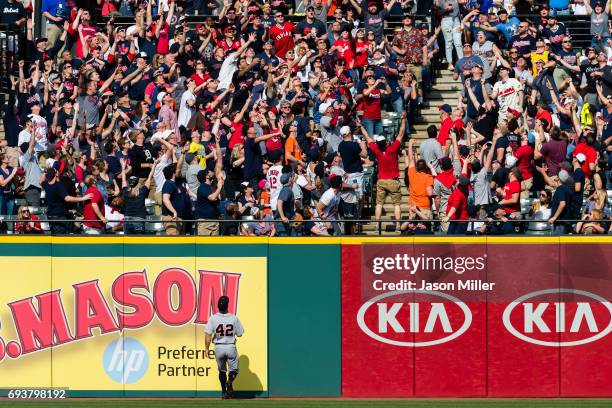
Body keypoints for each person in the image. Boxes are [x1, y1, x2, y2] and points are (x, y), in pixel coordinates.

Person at [362, 113, 406, 230]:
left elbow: (367, 137)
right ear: (386, 142)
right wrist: (403, 119)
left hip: (381, 181)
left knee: (379, 204)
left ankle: (377, 226)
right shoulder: (393, 148)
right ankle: (397, 226)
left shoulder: (376, 150)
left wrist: (361, 126)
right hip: (393, 181)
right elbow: (401, 133)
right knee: (397, 205)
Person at [204, 296, 244, 400]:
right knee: (234, 370)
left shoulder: (213, 318)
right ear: (227, 305)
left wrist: (207, 349)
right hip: (230, 346)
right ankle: (230, 381)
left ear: (218, 306)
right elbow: (240, 334)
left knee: (222, 371)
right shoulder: (233, 318)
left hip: (219, 347)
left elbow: (208, 335)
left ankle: (224, 393)